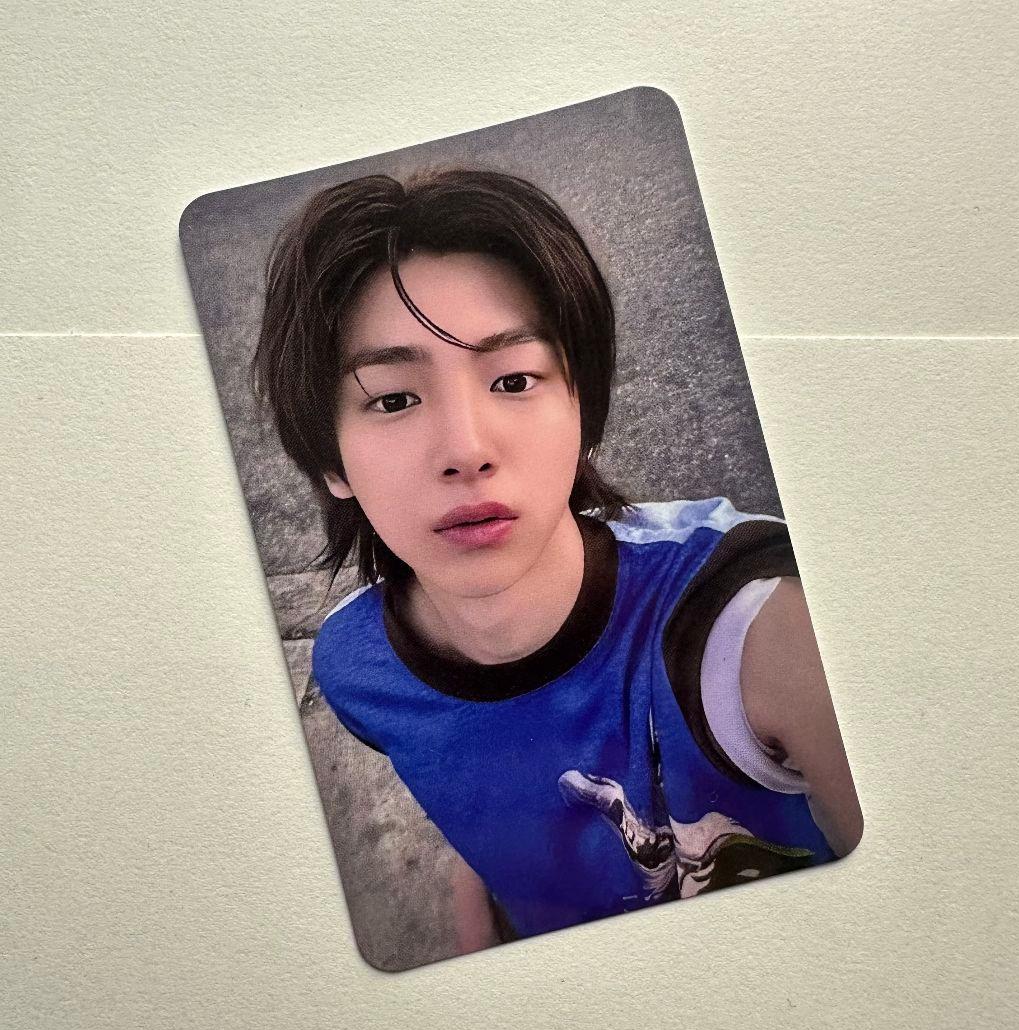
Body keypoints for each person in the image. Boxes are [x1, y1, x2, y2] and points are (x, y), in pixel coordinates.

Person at [253, 169, 863, 953]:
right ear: (330, 461)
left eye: (514, 380)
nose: (467, 449)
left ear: (581, 407)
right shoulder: (354, 668)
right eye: (394, 399)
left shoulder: (758, 627)